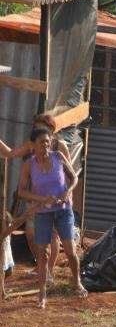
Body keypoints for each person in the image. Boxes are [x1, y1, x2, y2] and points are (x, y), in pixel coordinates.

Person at [18, 128, 86, 309]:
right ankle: (42, 293)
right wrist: (41, 199)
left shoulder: (58, 157)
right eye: (42, 142)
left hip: (63, 210)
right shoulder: (29, 165)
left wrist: (67, 192)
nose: (46, 145)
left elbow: (74, 179)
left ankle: (77, 282)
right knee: (43, 254)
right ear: (33, 145)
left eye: (48, 142)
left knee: (71, 251)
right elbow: (21, 191)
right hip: (43, 212)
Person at [0, 113, 70, 279]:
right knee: (31, 234)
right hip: (37, 197)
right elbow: (11, 154)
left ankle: (48, 273)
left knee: (52, 235)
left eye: (42, 128)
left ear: (51, 130)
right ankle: (41, 266)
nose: (39, 130)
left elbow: (69, 173)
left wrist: (65, 195)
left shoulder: (60, 147)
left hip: (56, 197)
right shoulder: (33, 144)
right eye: (36, 127)